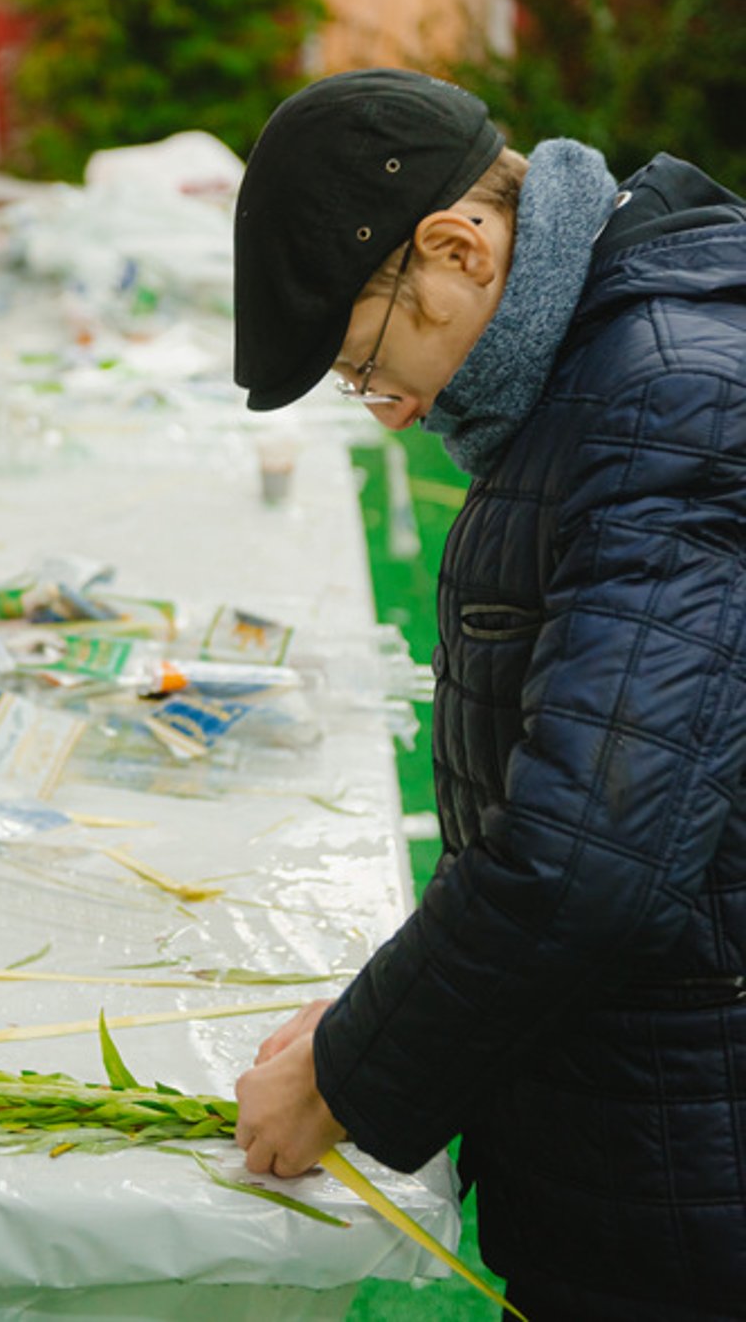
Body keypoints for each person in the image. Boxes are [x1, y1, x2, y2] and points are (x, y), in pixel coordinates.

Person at [230, 67, 746, 1321]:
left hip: (689, 1164)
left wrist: (349, 1073)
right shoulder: (597, 373)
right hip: (643, 1117)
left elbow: (588, 858)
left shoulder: (665, 396)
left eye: (367, 362)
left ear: (457, 248)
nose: (391, 409)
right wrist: (381, 1004)